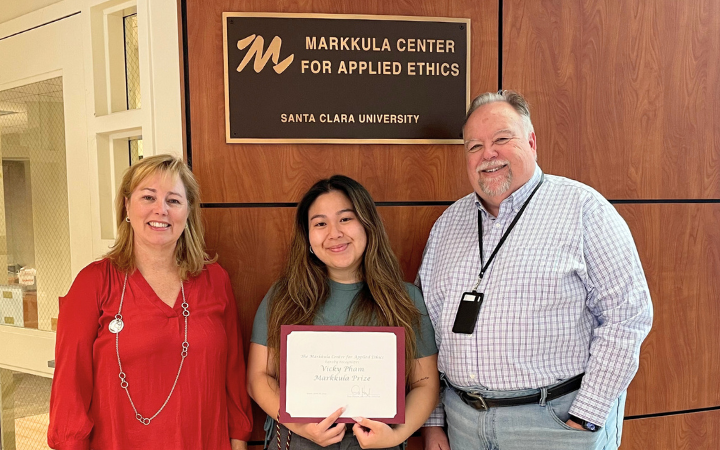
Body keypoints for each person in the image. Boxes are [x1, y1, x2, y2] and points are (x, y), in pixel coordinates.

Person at [417, 91, 653, 450]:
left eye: (501, 139)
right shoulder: (448, 225)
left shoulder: (584, 210)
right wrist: (434, 421)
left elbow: (628, 315)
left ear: (531, 141)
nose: (488, 154)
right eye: (474, 146)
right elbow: (427, 330)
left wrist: (587, 413)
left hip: (554, 424)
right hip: (463, 424)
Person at [48, 155, 253, 450]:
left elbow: (233, 377)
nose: (161, 210)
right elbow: (70, 388)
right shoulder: (93, 283)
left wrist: (238, 443)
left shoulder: (215, 280)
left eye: (173, 200)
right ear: (127, 206)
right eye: (148, 197)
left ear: (188, 212)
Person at [247, 175, 439, 450]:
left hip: (379, 442)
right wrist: (301, 426)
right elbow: (258, 378)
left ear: (367, 223)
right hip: (297, 439)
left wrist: (396, 436)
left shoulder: (405, 299)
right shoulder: (283, 296)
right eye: (321, 224)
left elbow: (425, 384)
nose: (334, 233)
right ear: (308, 237)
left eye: (346, 219)